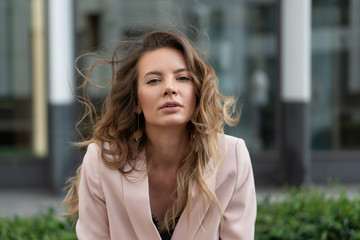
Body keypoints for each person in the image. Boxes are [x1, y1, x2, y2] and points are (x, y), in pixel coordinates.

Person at [63, 30, 257, 240]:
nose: (170, 88)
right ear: (136, 102)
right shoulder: (102, 160)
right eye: (154, 80)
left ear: (197, 93)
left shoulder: (232, 157)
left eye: (183, 78)